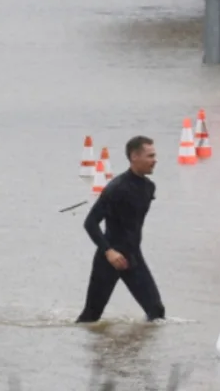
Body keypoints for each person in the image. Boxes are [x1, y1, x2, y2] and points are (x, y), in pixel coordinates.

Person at [76, 135, 165, 323]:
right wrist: (109, 252)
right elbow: (90, 223)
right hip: (109, 259)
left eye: (154, 155)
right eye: (150, 156)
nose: (155, 160)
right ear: (134, 156)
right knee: (91, 317)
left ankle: (135, 349)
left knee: (156, 312)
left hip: (133, 258)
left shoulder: (149, 187)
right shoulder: (117, 188)